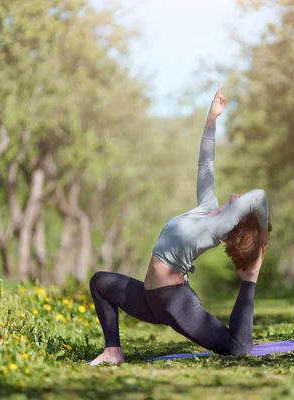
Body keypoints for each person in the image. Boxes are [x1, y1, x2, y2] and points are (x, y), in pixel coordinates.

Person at [88, 84, 272, 365]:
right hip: (150, 299)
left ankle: (250, 282)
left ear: (239, 217)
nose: (243, 196)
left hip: (174, 301)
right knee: (100, 282)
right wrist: (212, 119)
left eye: (242, 204)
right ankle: (112, 350)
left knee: (238, 348)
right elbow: (205, 163)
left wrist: (262, 232)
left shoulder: (219, 227)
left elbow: (259, 196)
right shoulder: (208, 209)